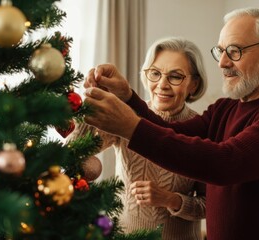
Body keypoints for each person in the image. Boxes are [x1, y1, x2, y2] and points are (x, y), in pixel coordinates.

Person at [83, 8, 259, 240]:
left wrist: (131, 127)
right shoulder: (225, 108)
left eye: (234, 51)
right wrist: (128, 96)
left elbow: (225, 163)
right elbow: (171, 131)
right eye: (220, 51)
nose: (222, 62)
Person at [68, 37, 207, 239]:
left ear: (194, 84)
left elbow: (209, 205)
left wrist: (170, 199)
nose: (162, 84)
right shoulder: (125, 116)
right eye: (155, 73)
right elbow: (73, 154)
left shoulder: (203, 130)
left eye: (175, 76)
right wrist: (90, 100)